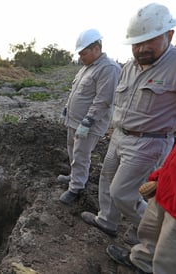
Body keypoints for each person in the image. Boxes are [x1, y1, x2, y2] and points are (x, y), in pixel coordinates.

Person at [81, 2, 176, 245]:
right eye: (137, 43)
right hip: (119, 135)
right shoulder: (129, 67)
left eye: (149, 40)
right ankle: (107, 221)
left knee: (123, 193)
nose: (142, 48)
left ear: (169, 35)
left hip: (149, 142)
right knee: (107, 180)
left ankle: (149, 240)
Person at [105, 118, 176, 274]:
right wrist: (160, 177)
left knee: (171, 260)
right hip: (168, 189)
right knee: (149, 237)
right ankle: (141, 264)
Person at [57, 29, 121, 205]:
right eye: (79, 54)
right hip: (74, 120)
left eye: (83, 53)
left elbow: (103, 100)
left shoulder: (108, 69)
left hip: (88, 124)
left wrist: (87, 122)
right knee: (72, 150)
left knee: (81, 154)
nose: (80, 57)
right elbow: (76, 92)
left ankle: (76, 187)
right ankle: (73, 176)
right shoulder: (86, 68)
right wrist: (66, 109)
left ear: (96, 49)